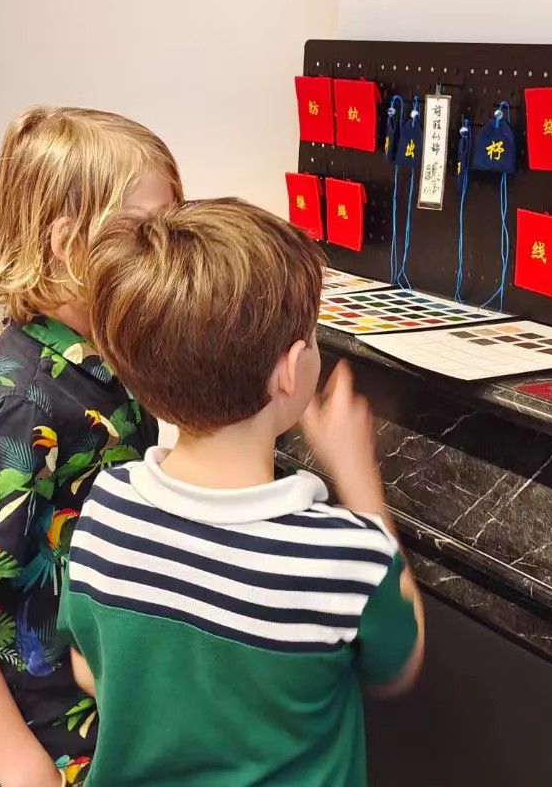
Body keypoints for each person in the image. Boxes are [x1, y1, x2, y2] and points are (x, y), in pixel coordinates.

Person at [58, 199, 425, 786]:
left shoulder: (107, 507)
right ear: (291, 369)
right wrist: (358, 481)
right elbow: (400, 661)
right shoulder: (344, 556)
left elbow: (86, 666)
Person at [0, 106, 183, 787]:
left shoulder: (104, 362)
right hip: (53, 744)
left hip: (109, 712)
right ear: (66, 244)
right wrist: (19, 763)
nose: (170, 249)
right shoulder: (21, 405)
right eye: (146, 229)